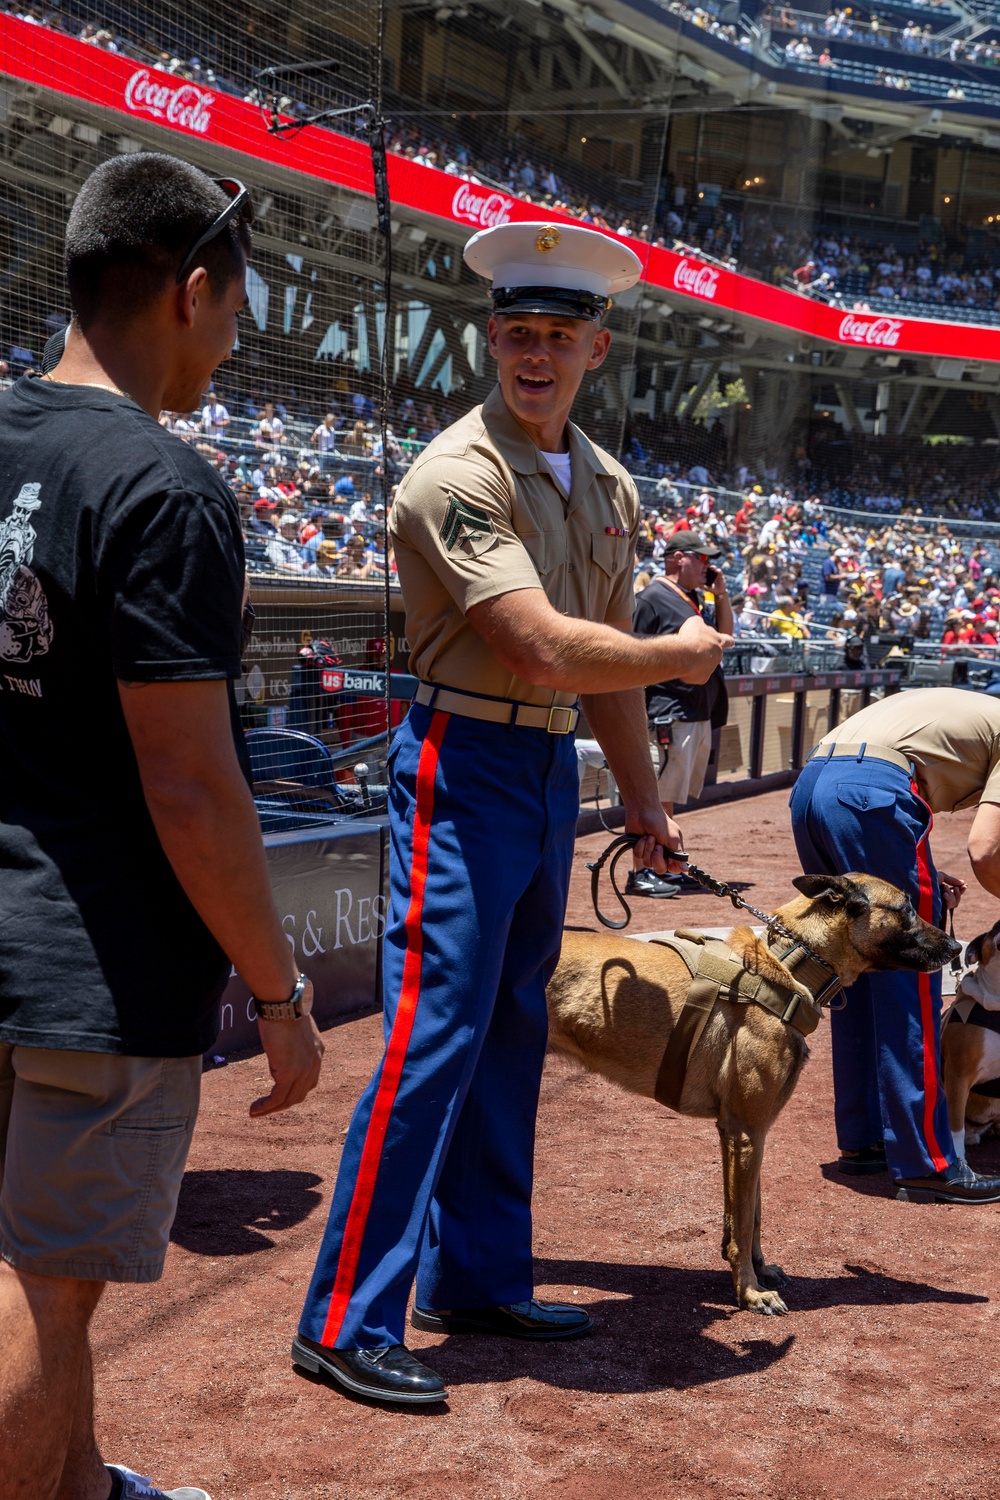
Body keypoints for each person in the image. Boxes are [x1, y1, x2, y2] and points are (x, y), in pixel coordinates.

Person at [291, 220, 730, 1407]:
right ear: (491, 339)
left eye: (556, 337)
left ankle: (476, 1275)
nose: (532, 355)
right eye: (514, 334)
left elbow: (599, 683)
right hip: (462, 757)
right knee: (432, 1036)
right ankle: (342, 1316)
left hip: (541, 777)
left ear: (598, 346)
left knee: (512, 1032)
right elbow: (539, 648)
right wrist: (675, 650)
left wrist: (644, 809)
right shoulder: (454, 471)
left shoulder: (609, 481)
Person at [0, 154, 323, 1500]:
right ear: (191, 292)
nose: (235, 343)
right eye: (238, 309)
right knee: (43, 1297)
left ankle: (77, 1485)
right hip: (92, 965)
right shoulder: (166, 487)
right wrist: (277, 989)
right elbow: (191, 789)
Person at [789, 689, 1000, 1203]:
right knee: (915, 978)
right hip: (875, 793)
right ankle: (927, 1161)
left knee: (859, 968)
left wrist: (913, 871)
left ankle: (866, 1140)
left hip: (817, 785)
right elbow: (987, 848)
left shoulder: (974, 707)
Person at [627, 532, 733, 898]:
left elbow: (723, 640)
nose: (708, 565)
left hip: (692, 710)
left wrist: (720, 595)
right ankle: (642, 872)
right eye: (700, 559)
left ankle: (661, 865)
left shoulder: (693, 598)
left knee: (667, 796)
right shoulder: (651, 599)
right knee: (657, 796)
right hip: (667, 711)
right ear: (676, 559)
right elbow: (631, 655)